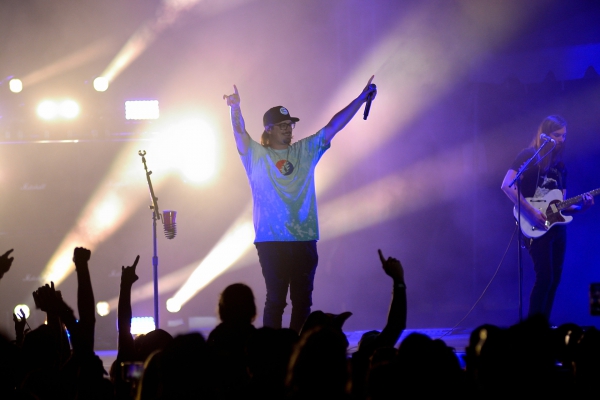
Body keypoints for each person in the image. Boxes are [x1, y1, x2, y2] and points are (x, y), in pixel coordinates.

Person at [223, 77, 377, 332]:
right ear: (269, 129)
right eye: (282, 125)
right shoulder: (256, 156)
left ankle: (295, 351)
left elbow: (333, 126)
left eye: (291, 124)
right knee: (275, 301)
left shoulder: (305, 151)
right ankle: (272, 355)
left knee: (302, 302)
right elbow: (240, 132)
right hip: (271, 240)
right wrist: (235, 108)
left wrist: (361, 99)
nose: (289, 129)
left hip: (304, 238)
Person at [501, 115, 594, 320]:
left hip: (556, 229)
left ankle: (542, 326)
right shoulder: (529, 156)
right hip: (532, 224)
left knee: (554, 280)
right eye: (557, 135)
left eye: (564, 136)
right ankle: (533, 330)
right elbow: (507, 185)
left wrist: (582, 208)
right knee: (545, 277)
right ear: (545, 135)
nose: (562, 140)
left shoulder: (560, 167)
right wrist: (532, 213)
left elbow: (559, 207)